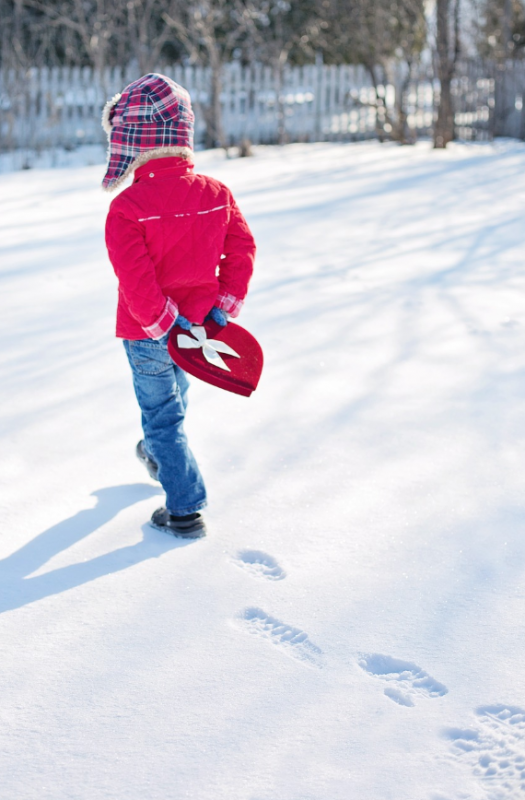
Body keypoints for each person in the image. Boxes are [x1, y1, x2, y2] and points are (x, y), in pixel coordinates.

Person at [102, 73, 256, 538]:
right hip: (196, 328)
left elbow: (136, 278)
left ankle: (185, 507)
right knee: (173, 399)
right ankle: (158, 452)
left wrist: (159, 321)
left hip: (148, 331)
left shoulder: (127, 207)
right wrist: (222, 302)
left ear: (133, 142)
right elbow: (242, 249)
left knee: (162, 413)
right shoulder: (215, 193)